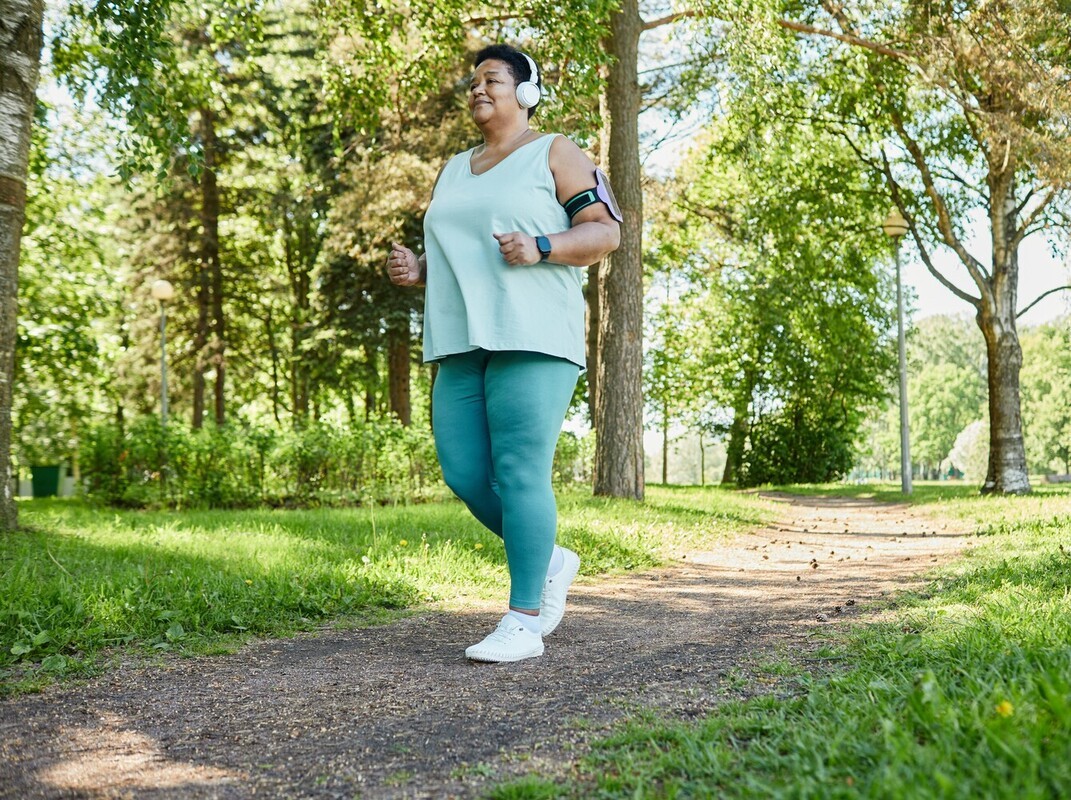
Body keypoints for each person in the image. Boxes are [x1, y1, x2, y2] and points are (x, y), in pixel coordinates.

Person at [386, 43, 621, 663]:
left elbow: (605, 232)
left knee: (519, 470)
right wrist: (419, 268)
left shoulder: (555, 151)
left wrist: (541, 246)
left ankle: (523, 621)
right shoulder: (454, 168)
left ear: (527, 92)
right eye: (473, 82)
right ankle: (550, 560)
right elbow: (462, 246)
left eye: (492, 79)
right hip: (460, 337)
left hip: (532, 331)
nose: (478, 89)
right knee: (464, 472)